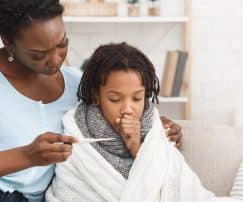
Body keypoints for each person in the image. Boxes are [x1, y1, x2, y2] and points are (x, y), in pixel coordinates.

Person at [0, 1, 182, 201]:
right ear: (8, 43)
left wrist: (155, 128)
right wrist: (27, 156)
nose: (56, 60)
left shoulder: (79, 83)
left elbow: (112, 122)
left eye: (62, 44)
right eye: (39, 55)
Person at [45, 42, 216, 202]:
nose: (128, 109)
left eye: (137, 98)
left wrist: (136, 145)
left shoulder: (155, 128)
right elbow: (67, 190)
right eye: (114, 99)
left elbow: (172, 186)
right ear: (96, 96)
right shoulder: (76, 134)